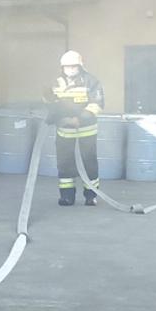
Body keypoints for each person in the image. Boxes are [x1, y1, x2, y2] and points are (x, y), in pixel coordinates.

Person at [42, 50, 104, 206]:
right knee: (64, 163)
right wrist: (58, 117)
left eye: (73, 66)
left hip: (86, 130)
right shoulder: (56, 82)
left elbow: (97, 104)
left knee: (88, 162)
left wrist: (79, 119)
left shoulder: (91, 81)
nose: (70, 69)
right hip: (64, 131)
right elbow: (51, 104)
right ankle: (67, 196)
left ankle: (91, 196)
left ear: (80, 66)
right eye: (66, 66)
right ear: (62, 67)